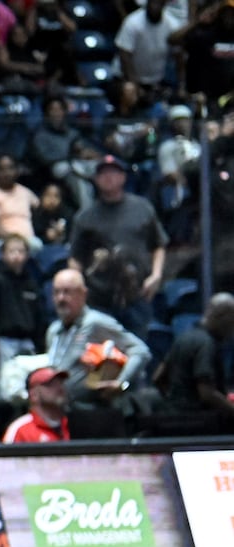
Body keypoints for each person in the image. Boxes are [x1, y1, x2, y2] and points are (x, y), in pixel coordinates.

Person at [68, 155, 167, 337]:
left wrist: (156, 275)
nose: (108, 177)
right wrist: (77, 288)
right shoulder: (85, 217)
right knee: (101, 359)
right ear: (96, 180)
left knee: (137, 353)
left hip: (137, 296)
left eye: (113, 172)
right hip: (99, 299)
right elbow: (75, 258)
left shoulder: (142, 208)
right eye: (103, 174)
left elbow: (158, 244)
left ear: (123, 177)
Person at [45, 268, 150, 408]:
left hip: (91, 410)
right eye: (56, 292)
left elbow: (140, 350)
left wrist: (121, 382)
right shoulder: (53, 331)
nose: (61, 298)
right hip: (59, 410)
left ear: (83, 294)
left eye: (67, 292)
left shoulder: (96, 323)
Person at [151, 292, 234, 431]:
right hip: (200, 423)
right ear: (222, 317)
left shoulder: (183, 338)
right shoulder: (207, 344)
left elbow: (157, 378)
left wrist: (175, 404)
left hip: (173, 419)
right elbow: (206, 393)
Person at [0, 234, 46, 379]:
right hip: (4, 341)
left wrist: (40, 344)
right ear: (3, 254)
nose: (17, 256)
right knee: (6, 380)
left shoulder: (32, 284)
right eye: (12, 251)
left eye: (21, 251)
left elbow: (39, 315)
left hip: (28, 341)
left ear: (27, 255)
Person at [3, 367, 71, 442]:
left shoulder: (75, 425)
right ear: (33, 394)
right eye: (50, 384)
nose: (59, 388)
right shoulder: (20, 430)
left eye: (61, 383)